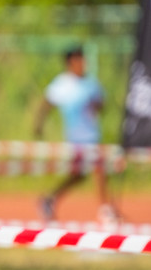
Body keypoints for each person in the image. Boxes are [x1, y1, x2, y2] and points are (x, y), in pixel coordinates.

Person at [34, 46, 117, 224]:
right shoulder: (62, 84)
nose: (83, 64)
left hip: (92, 135)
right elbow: (47, 104)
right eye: (79, 60)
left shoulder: (91, 83)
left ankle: (51, 200)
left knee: (89, 172)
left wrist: (96, 106)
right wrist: (39, 125)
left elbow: (101, 105)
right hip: (76, 139)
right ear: (70, 62)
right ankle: (104, 209)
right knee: (89, 172)